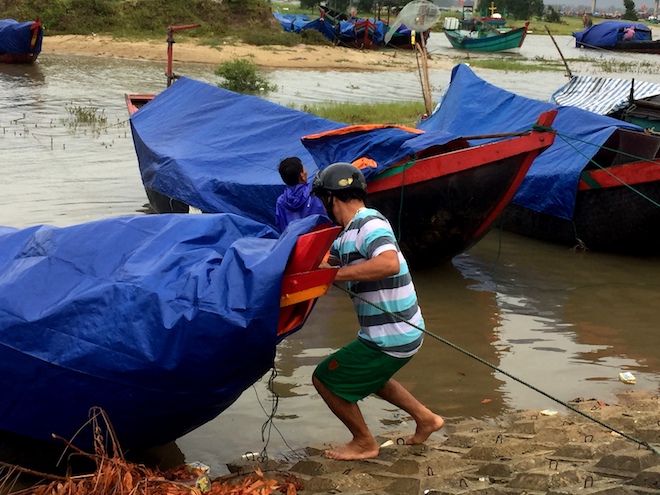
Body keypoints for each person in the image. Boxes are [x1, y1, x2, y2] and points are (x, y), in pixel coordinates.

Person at [310, 162, 444, 461]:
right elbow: (322, 264)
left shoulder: (369, 223)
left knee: (325, 378)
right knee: (371, 377)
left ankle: (363, 443)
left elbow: (388, 263)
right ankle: (426, 419)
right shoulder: (347, 235)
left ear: (331, 197)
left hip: (393, 334)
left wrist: (335, 275)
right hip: (397, 330)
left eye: (324, 200)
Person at [275, 157, 327, 232]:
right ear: (302, 175)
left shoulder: (280, 201)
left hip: (296, 242)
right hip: (323, 238)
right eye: (304, 168)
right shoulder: (315, 190)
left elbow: (282, 228)